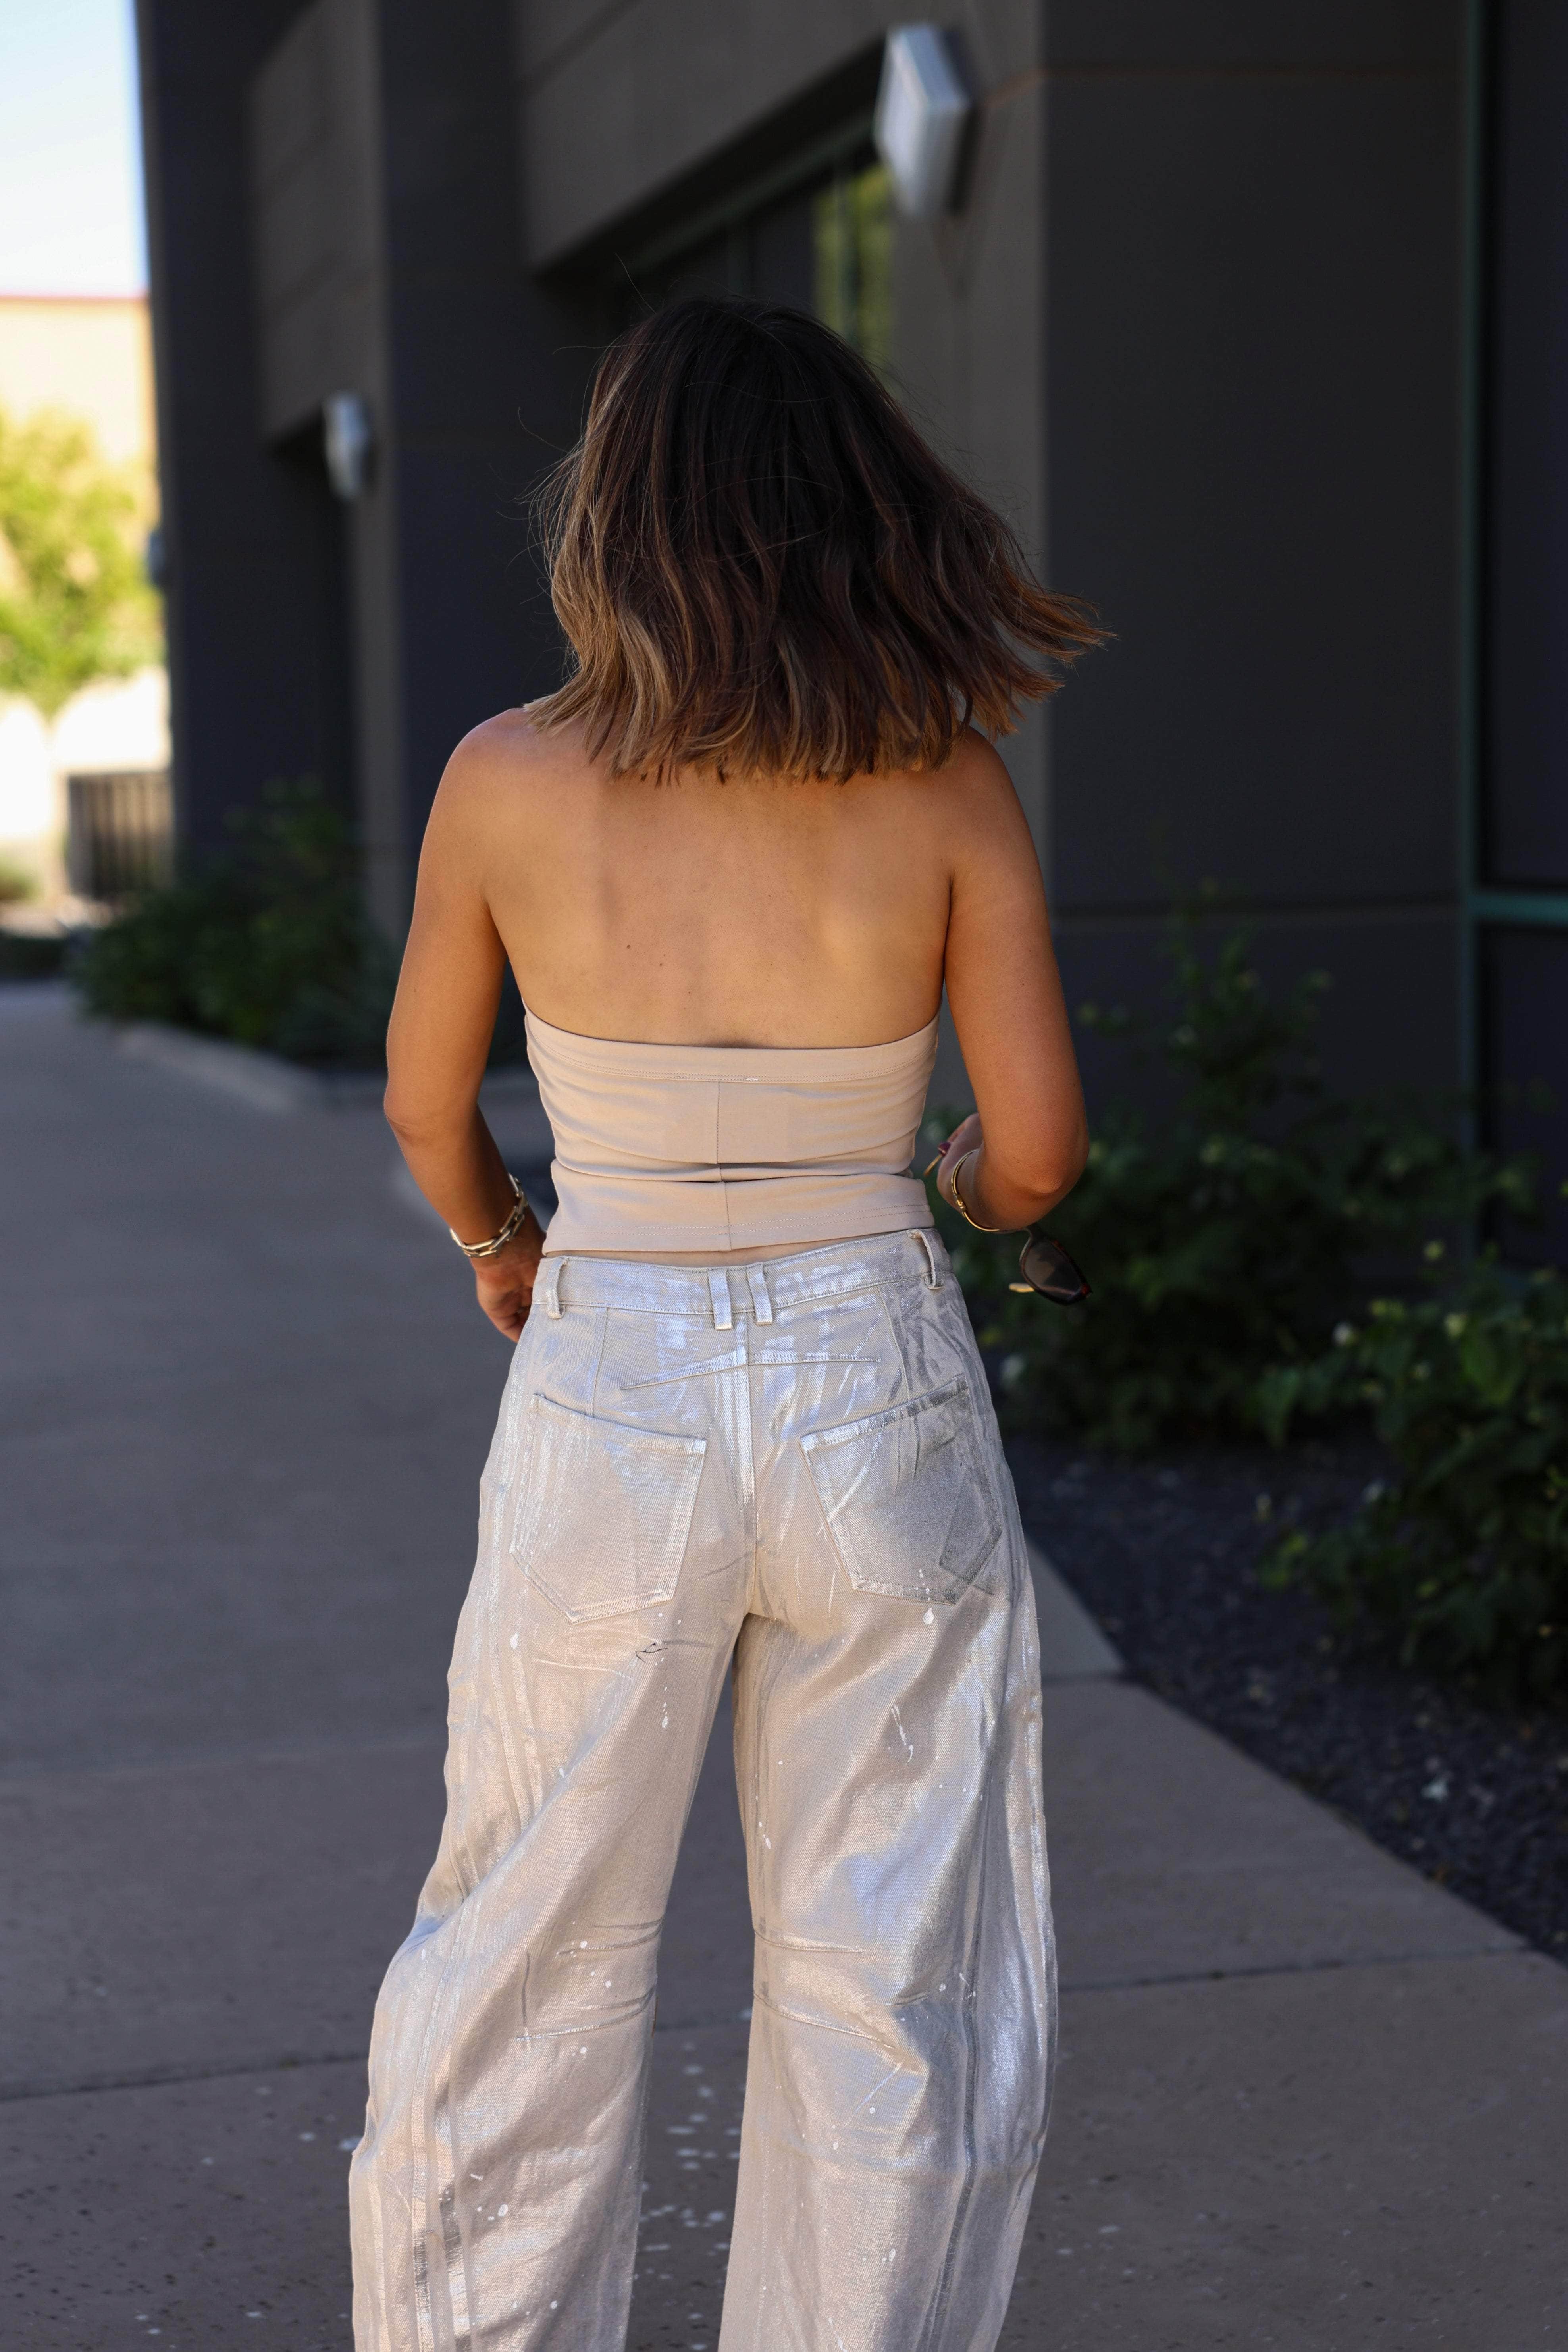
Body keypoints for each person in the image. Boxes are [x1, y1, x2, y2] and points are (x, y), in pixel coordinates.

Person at [350, 295, 1097, 2352]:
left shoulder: (507, 779)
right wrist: (936, 1186)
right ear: (862, 511)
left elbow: (429, 1107)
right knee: (895, 1964)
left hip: (614, 1367)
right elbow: (1038, 1151)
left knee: (524, 1941)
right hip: (876, 1369)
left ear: (624, 516)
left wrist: (503, 1240)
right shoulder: (943, 785)